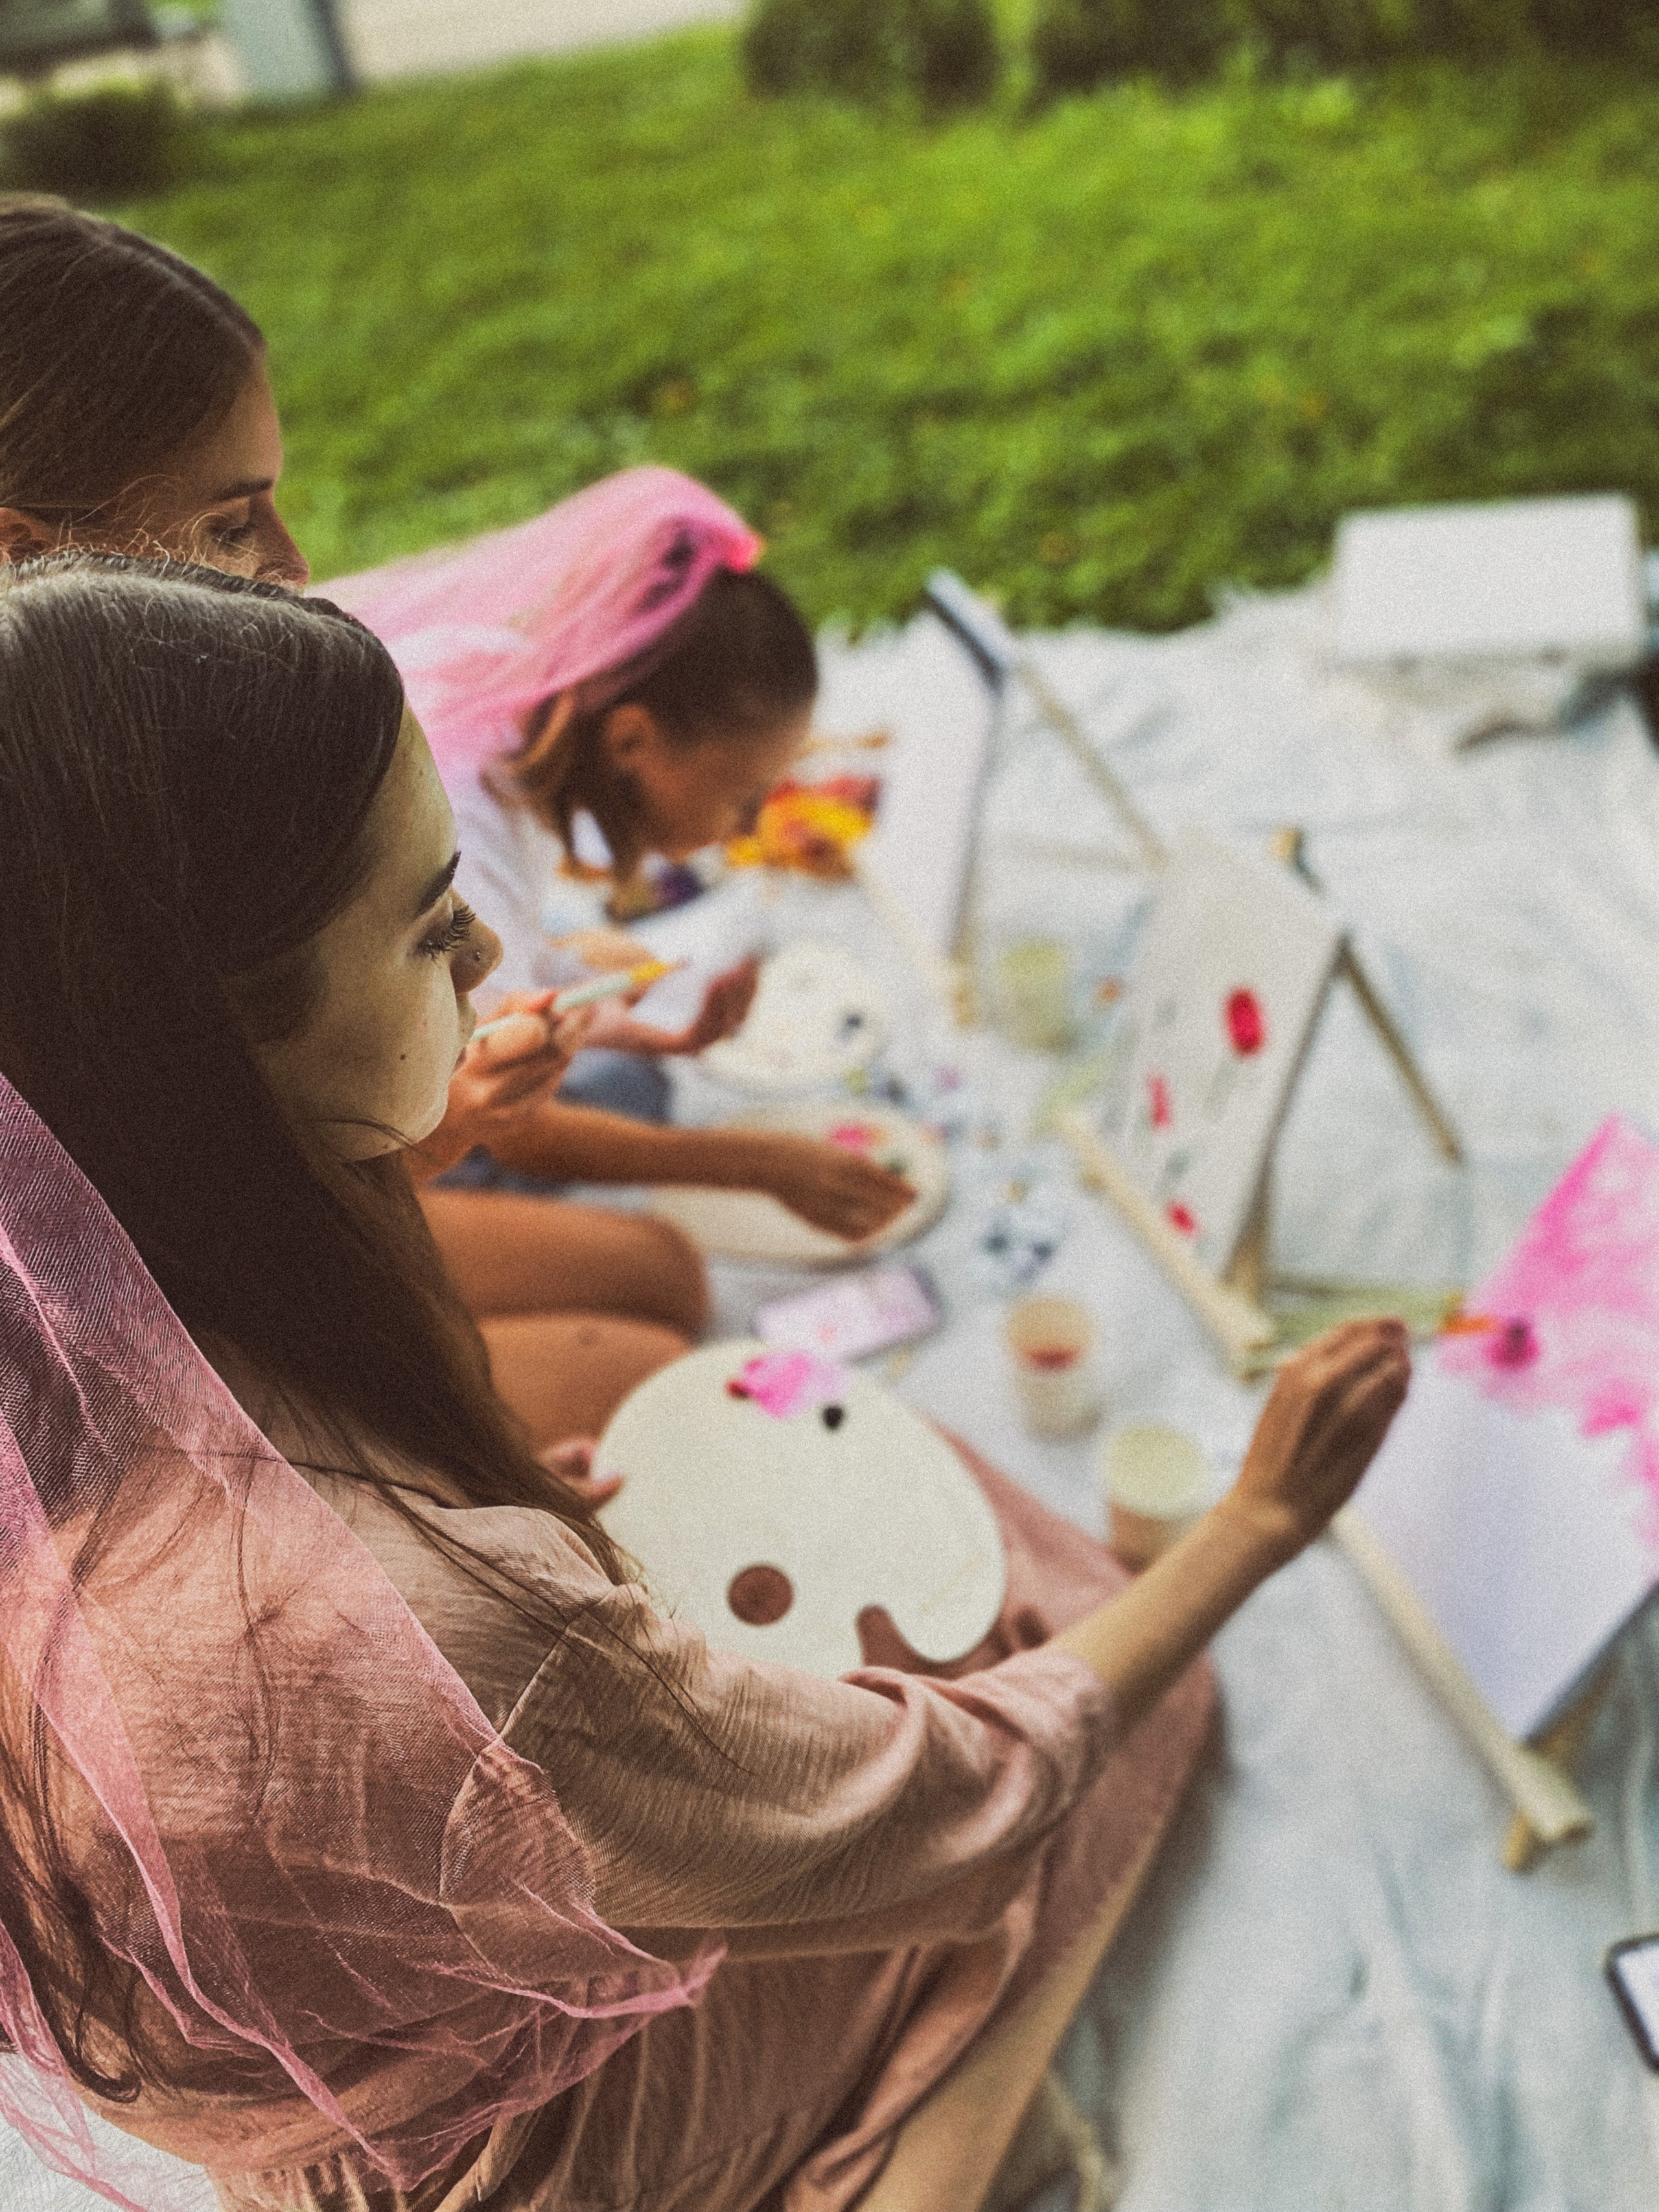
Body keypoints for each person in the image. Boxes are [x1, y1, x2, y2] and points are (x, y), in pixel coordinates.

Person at [0, 550, 1411, 2212]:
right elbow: (960, 1810)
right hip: (520, 2152)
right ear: (214, 1034)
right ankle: (913, 2164)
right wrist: (1255, 1521)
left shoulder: (95, 1305)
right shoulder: (407, 1634)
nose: (484, 964)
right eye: (430, 920)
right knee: (1127, 1701)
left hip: (357, 2070)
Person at [0, 196, 913, 1434]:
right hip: (193, 1357)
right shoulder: (107, 883)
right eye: (232, 519)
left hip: (308, 1213)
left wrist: (474, 1111)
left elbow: (354, 1128)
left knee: (655, 1249)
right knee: (646, 1349)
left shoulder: (152, 777)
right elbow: (262, 1216)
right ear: (28, 560)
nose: (298, 562)